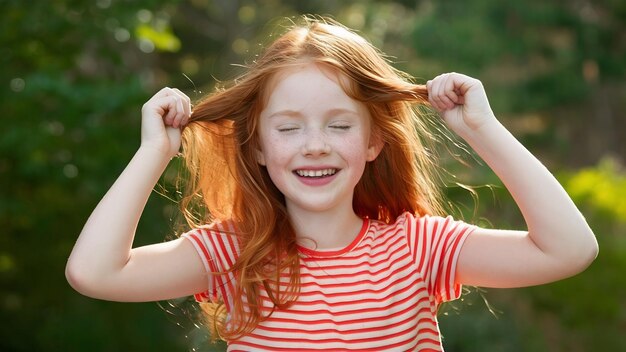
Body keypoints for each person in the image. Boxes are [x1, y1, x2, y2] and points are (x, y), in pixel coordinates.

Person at [66, 16, 598, 351]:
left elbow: (569, 251)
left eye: (339, 125)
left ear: (373, 143)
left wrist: (484, 129)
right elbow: (94, 273)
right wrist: (153, 153)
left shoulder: (418, 248)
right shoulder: (235, 253)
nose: (314, 144)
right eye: (289, 126)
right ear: (256, 146)